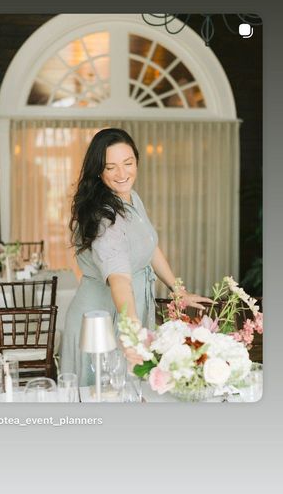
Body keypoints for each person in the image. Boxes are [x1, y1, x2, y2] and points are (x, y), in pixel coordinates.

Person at [61, 128, 211, 386]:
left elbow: (149, 246)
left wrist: (178, 290)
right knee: (104, 396)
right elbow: (119, 280)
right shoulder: (105, 219)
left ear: (137, 161)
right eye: (111, 167)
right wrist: (132, 333)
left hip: (128, 311)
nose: (122, 174)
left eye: (128, 163)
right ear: (99, 171)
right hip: (104, 319)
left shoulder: (130, 199)